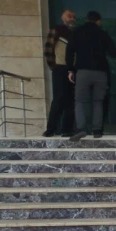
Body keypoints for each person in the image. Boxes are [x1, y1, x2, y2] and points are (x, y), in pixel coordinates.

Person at [66, 10, 116, 141]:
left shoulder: (77, 32)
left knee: (80, 101)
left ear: (88, 19)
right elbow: (113, 52)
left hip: (82, 71)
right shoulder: (102, 33)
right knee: (98, 101)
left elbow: (69, 51)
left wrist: (70, 69)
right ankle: (97, 130)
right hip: (100, 72)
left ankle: (81, 128)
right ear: (98, 21)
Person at [43, 9, 76, 137]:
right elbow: (48, 50)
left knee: (70, 101)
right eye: (69, 16)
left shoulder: (74, 33)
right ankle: (51, 129)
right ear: (63, 18)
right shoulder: (57, 30)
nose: (71, 18)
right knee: (59, 99)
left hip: (72, 69)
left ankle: (67, 130)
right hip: (60, 68)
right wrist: (54, 67)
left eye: (73, 16)